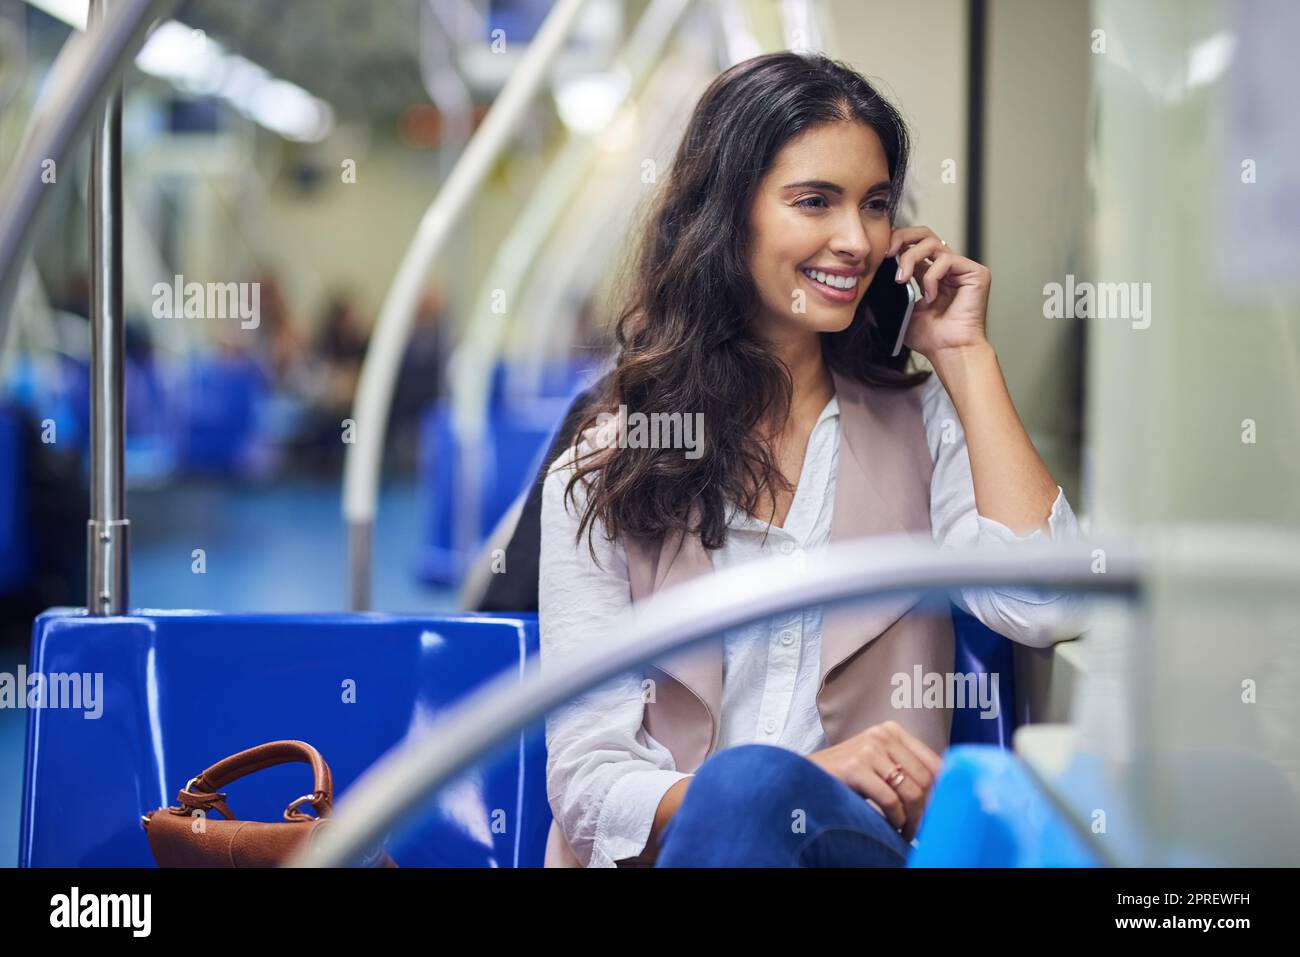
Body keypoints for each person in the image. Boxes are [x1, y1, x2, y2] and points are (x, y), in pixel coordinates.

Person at [538, 51, 1084, 868]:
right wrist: (786, 775)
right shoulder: (613, 459)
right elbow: (586, 783)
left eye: (874, 205)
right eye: (814, 201)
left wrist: (965, 356)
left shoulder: (923, 425)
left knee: (756, 789)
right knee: (747, 788)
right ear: (729, 215)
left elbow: (1047, 603)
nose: (856, 239)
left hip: (857, 846)